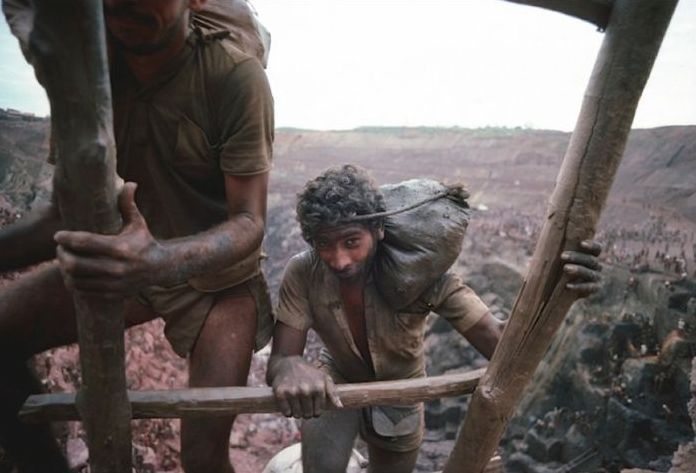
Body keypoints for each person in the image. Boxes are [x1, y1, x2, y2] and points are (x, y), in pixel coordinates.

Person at [0, 1, 274, 472]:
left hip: (218, 282)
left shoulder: (234, 75)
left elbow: (248, 224)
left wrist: (154, 261)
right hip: (131, 262)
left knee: (203, 458)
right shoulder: (87, 81)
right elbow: (62, 216)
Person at [267, 165, 602, 473]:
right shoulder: (304, 270)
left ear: (378, 229)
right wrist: (290, 365)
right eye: (324, 244)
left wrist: (559, 291)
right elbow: (282, 358)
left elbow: (500, 345)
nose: (339, 260)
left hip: (403, 390)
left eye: (351, 242)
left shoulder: (423, 277)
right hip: (336, 381)